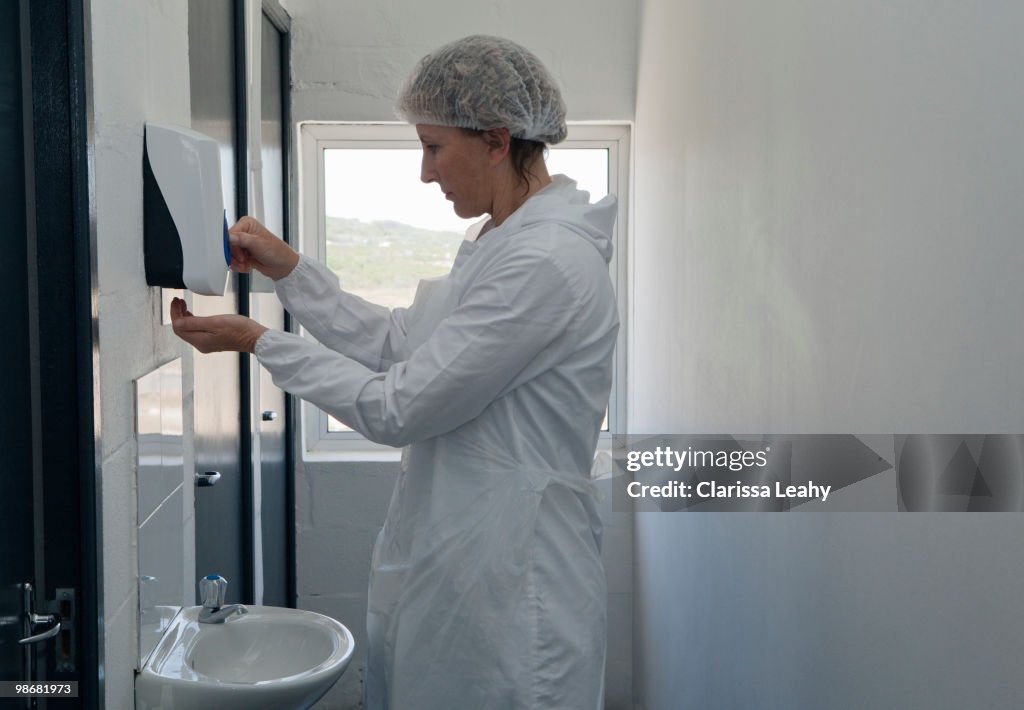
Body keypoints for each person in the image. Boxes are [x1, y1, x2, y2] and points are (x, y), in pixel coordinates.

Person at [171, 34, 619, 709]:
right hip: (470, 557)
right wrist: (292, 271)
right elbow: (399, 344)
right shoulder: (500, 245)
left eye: (434, 147)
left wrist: (260, 342)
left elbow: (399, 408)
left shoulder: (545, 263)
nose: (425, 173)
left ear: (497, 141)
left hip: (511, 578)